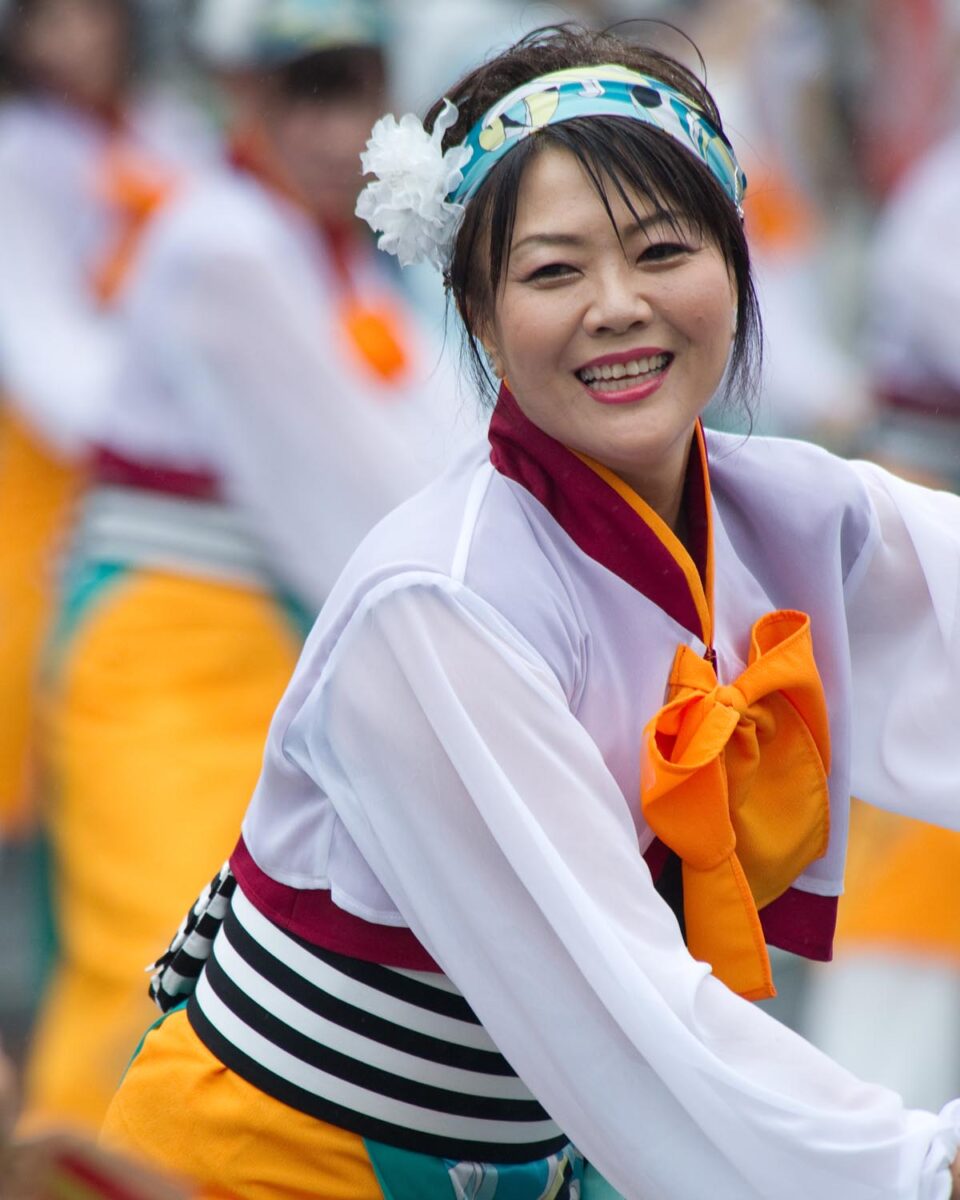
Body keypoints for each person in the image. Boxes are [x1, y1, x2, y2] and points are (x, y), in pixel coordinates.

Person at [100, 22, 960, 1200]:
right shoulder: (441, 606)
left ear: (736, 267)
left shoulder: (790, 514)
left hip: (523, 1155)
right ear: (483, 317)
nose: (618, 306)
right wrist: (916, 1168)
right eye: (555, 271)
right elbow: (623, 1005)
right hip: (277, 1164)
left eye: (663, 251)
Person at [22, 0, 475, 1135]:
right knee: (149, 970)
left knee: (238, 989)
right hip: (167, 645)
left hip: (273, 653)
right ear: (239, 94)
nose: (331, 129)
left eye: (352, 88)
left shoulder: (349, 266)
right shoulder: (222, 243)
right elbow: (362, 504)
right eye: (300, 92)